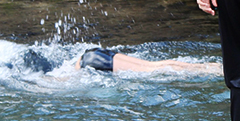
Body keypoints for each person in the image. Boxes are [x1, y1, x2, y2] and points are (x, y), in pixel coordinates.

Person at [76, 48, 222, 74]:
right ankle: (211, 67)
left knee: (154, 69)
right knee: (154, 65)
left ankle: (212, 70)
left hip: (91, 63)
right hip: (91, 53)